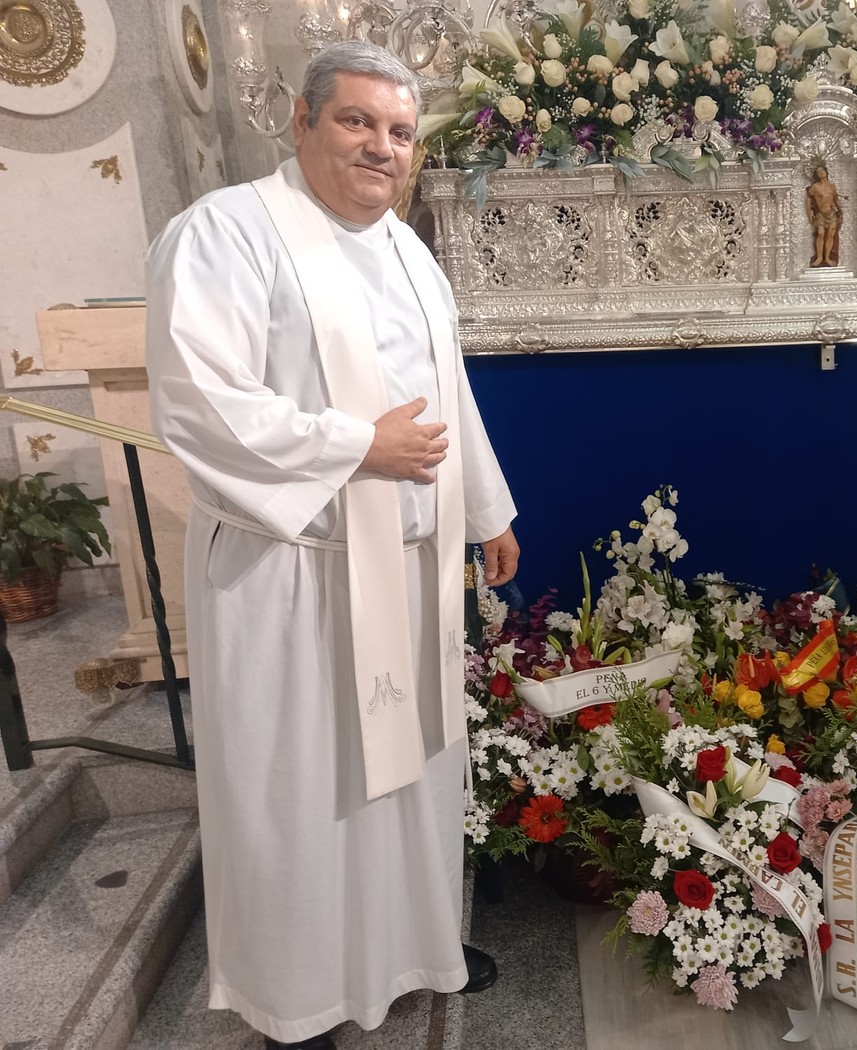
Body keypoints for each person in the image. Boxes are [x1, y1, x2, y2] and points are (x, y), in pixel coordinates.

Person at [145, 41, 517, 1050]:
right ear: (300, 123)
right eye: (356, 121)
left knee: (407, 780)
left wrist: (485, 506)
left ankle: (409, 949)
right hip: (295, 575)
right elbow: (201, 405)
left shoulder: (406, 251)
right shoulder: (225, 234)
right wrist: (359, 447)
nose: (380, 148)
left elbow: (447, 397)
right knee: (303, 791)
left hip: (407, 567)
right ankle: (297, 994)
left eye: (398, 132)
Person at [806, 164, 842, 268]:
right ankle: (819, 257)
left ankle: (827, 257)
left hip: (831, 214)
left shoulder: (832, 186)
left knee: (830, 235)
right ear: (817, 175)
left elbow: (836, 200)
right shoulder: (815, 187)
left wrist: (841, 211)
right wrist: (810, 213)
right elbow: (808, 200)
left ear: (826, 172)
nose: (821, 173)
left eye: (822, 170)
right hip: (821, 214)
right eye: (818, 172)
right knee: (821, 233)